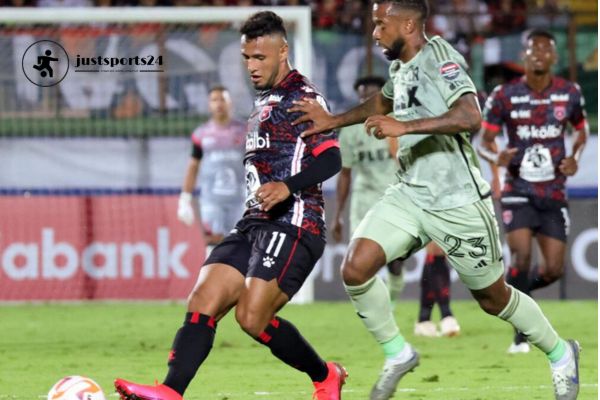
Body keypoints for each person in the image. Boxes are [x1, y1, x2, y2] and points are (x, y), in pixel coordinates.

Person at [288, 2, 580, 400]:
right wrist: (333, 121)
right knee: (355, 268)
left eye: (380, 24)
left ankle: (562, 354)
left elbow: (469, 116)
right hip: (410, 193)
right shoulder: (401, 67)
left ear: (407, 24)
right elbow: (383, 103)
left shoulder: (440, 57)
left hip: (457, 200)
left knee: (493, 299)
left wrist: (404, 126)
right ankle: (398, 353)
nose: (374, 33)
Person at [114, 11, 347, 400]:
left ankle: (326, 376)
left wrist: (288, 187)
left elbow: (331, 160)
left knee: (252, 318)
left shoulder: (302, 98)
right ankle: (170, 391)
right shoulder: (261, 101)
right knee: (203, 298)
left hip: (294, 224)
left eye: (261, 57)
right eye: (247, 58)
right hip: (254, 222)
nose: (252, 66)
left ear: (283, 50)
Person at [478, 29, 588, 354]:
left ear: (555, 57)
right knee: (521, 257)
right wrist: (495, 157)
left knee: (553, 269)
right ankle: (520, 332)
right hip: (517, 189)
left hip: (553, 192)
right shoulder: (505, 95)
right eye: (533, 48)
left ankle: (519, 293)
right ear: (524, 55)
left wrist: (576, 158)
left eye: (546, 49)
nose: (539, 53)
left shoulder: (569, 93)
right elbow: (484, 141)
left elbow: (581, 132)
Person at [333, 76, 460, 338]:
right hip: (364, 200)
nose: (364, 100)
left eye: (370, 95)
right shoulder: (350, 132)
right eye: (361, 96)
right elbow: (344, 173)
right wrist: (338, 214)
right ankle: (398, 316)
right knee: (362, 262)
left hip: (398, 198)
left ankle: (403, 308)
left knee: (398, 264)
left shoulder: (400, 123)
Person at [177, 85, 246, 246]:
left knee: (241, 246)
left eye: (223, 99)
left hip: (240, 200)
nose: (219, 103)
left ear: (231, 103)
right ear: (209, 105)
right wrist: (184, 199)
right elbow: (193, 166)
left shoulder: (245, 131)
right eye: (214, 100)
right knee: (214, 246)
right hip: (212, 201)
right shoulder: (201, 134)